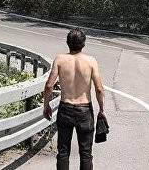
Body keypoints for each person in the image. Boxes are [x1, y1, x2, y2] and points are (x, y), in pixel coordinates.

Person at [43, 27, 104, 170]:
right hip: (85, 111)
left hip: (66, 108)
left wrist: (46, 105)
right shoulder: (91, 61)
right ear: (84, 44)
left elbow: (49, 86)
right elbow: (99, 89)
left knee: (63, 152)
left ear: (67, 43)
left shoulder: (60, 59)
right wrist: (102, 109)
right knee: (86, 153)